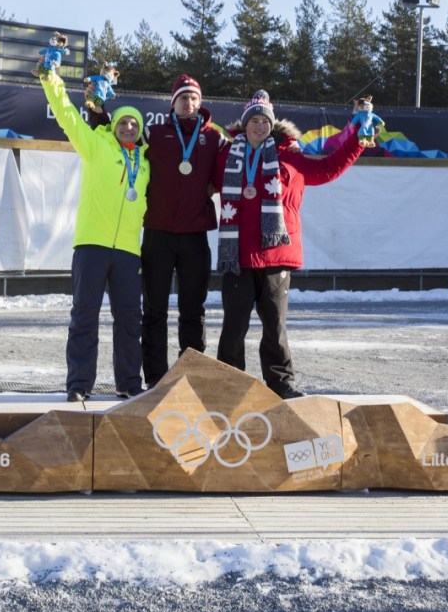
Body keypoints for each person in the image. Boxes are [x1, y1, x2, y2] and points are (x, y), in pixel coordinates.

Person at [213, 90, 364, 398]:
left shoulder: (290, 156)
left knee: (275, 327)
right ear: (244, 124)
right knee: (233, 326)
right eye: (253, 120)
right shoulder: (226, 156)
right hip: (238, 255)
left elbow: (327, 170)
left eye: (264, 121)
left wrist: (358, 138)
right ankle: (228, 386)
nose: (258, 126)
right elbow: (198, 181)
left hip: (276, 255)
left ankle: (281, 384)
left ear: (272, 124)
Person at [40, 68, 150, 401]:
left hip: (129, 251)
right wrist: (51, 80)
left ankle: (129, 381)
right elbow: (67, 116)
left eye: (134, 124)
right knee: (85, 314)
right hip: (92, 245)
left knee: (130, 319)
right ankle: (79, 385)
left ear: (140, 131)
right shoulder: (95, 147)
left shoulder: (146, 163)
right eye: (122, 123)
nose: (128, 127)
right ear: (113, 127)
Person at [140, 74, 229, 388]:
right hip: (157, 232)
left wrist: (213, 187)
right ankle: (154, 377)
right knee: (154, 309)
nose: (188, 103)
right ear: (173, 102)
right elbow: (121, 142)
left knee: (193, 309)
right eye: (182, 97)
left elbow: (228, 171)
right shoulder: (153, 133)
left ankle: (192, 375)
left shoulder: (215, 139)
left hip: (195, 234)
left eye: (193, 98)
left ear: (200, 103)